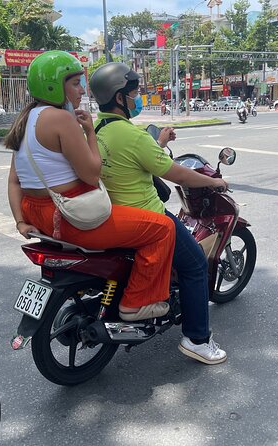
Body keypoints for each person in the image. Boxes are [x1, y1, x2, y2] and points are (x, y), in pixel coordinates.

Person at [5, 51, 176, 322]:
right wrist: (89, 133)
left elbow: (14, 182)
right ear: (53, 85)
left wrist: (19, 223)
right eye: (74, 83)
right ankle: (136, 303)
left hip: (35, 214)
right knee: (162, 228)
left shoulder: (25, 121)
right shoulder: (61, 119)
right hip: (71, 214)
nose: (81, 90)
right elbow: (91, 174)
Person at [89, 62, 229, 365]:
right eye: (135, 92)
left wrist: (160, 143)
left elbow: (129, 156)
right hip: (148, 218)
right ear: (118, 97)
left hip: (113, 217)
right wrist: (214, 181)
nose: (138, 97)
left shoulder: (97, 129)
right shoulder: (132, 136)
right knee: (194, 266)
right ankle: (198, 339)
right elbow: (180, 175)